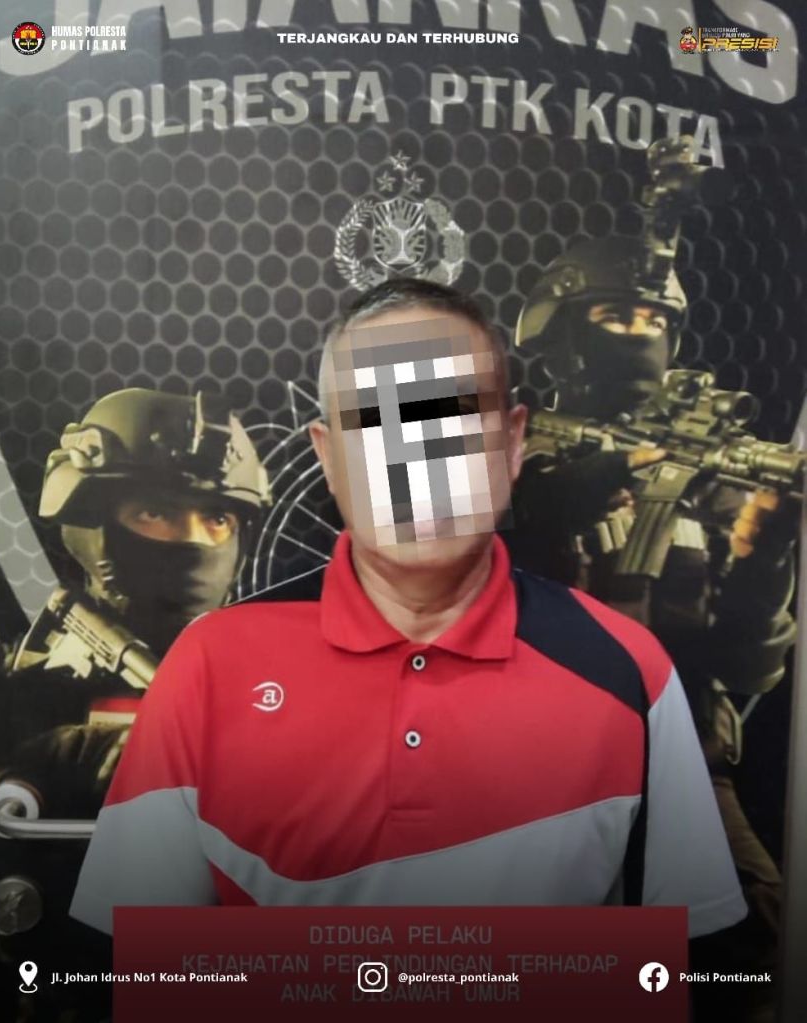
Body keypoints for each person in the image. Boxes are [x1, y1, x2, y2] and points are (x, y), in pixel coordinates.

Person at [70, 279, 747, 953]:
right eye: (378, 425)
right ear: (327, 455)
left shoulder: (630, 671)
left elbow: (693, 973)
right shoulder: (209, 664)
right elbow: (143, 968)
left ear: (512, 442)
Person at [510, 235, 797, 1020]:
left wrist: (765, 557)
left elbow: (748, 665)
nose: (638, 334)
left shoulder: (708, 485)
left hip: (681, 762)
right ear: (563, 330)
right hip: (535, 768)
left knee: (755, 944)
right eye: (614, 315)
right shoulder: (511, 450)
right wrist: (597, 481)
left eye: (654, 319)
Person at [0, 387, 267, 1021]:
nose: (191, 541)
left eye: (217, 520)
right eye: (154, 512)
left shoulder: (277, 693)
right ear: (90, 522)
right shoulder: (12, 691)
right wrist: (54, 764)